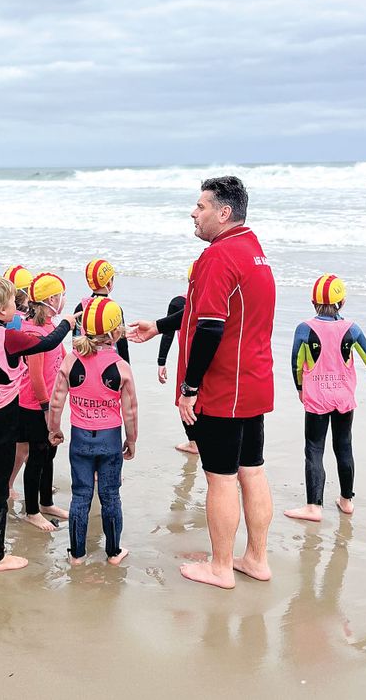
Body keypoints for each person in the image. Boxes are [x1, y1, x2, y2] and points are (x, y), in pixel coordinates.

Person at [130, 176, 275, 589]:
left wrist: (189, 389)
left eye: (201, 206)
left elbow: (211, 326)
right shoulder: (253, 251)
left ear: (223, 213)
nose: (194, 213)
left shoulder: (218, 256)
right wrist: (160, 326)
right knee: (252, 471)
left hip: (223, 388)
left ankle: (221, 566)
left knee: (221, 478)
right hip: (253, 381)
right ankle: (256, 559)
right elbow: (203, 308)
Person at [0, 275, 75, 572]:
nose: (17, 306)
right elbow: (47, 343)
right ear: (1, 310)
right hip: (1, 422)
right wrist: (67, 324)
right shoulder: (8, 337)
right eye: (12, 301)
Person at [284, 274, 366, 522]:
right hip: (344, 398)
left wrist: (300, 387)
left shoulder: (304, 329)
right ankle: (346, 501)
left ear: (313, 302)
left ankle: (313, 507)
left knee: (314, 449)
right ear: (343, 302)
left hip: (317, 399)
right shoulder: (352, 329)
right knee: (344, 446)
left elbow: (296, 362)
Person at [48, 297, 137, 566]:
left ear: (83, 329)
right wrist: (131, 439)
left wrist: (54, 429)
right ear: (116, 333)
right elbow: (130, 411)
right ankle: (113, 552)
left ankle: (77, 555)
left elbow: (56, 401)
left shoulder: (71, 360)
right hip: (110, 441)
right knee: (110, 495)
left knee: (81, 495)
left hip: (80, 439)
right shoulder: (121, 367)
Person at [18, 272, 70, 530]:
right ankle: (31, 511)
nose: (63, 300)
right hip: (34, 405)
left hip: (51, 402)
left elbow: (64, 357)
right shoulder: (33, 332)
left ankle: (46, 502)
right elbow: (36, 376)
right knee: (37, 455)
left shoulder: (50, 326)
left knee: (50, 451)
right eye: (61, 296)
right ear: (51, 299)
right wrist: (46, 407)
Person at [157, 264, 198, 455]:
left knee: (184, 399)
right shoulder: (220, 301)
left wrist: (161, 362)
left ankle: (194, 442)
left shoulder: (179, 302)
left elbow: (168, 333)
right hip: (213, 359)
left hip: (188, 360)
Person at [3, 265, 33, 499]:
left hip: (12, 387)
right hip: (19, 389)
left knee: (23, 445)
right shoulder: (17, 320)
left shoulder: (4, 315)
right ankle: (9, 484)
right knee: (22, 447)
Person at [72, 259, 129, 362]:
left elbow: (75, 340)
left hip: (84, 361)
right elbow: (122, 343)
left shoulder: (81, 307)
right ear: (109, 283)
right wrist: (126, 365)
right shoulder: (114, 308)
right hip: (109, 363)